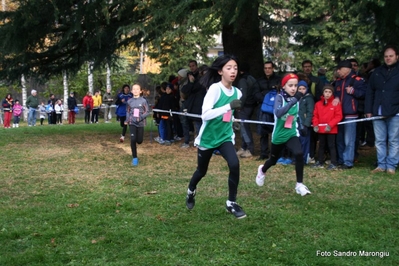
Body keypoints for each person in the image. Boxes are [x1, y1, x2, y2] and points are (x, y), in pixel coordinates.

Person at [185, 54, 246, 219]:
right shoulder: (214, 89)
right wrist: (228, 106)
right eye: (228, 68)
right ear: (220, 71)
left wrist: (233, 121)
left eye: (235, 68)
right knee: (202, 171)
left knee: (234, 164)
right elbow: (205, 115)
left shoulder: (237, 92)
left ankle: (231, 203)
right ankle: (191, 190)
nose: (233, 71)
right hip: (208, 138)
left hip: (225, 137)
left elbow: (228, 114)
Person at [255, 73, 312, 197]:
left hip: (291, 133)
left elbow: (296, 115)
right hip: (279, 135)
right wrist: (292, 101)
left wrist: (302, 126)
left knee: (299, 154)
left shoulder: (297, 99)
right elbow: (278, 113)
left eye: (295, 86)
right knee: (273, 160)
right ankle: (262, 170)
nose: (293, 88)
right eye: (290, 85)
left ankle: (299, 184)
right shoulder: (279, 98)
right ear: (284, 86)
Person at [365, 45, 399, 174]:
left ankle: (391, 166)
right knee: (379, 140)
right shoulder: (377, 72)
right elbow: (370, 91)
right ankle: (381, 165)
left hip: (395, 112)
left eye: (391, 56)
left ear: (397, 57)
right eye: (386, 56)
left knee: (394, 140)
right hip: (377, 111)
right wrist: (368, 110)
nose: (388, 58)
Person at [333, 60, 367, 169]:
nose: (338, 71)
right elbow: (335, 93)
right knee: (340, 139)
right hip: (339, 115)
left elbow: (365, 93)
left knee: (349, 140)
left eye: (340, 69)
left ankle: (348, 162)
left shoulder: (357, 80)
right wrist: (336, 98)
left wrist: (353, 91)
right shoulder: (338, 81)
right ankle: (341, 160)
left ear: (347, 69)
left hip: (351, 114)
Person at [253, 61, 282, 160]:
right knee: (263, 132)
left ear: (273, 68)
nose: (267, 70)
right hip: (262, 108)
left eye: (269, 68)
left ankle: (275, 153)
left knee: (276, 131)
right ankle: (264, 153)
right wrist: (265, 100)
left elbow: (280, 92)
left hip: (275, 108)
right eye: (265, 68)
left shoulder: (278, 80)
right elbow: (255, 93)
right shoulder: (259, 81)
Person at [312, 84, 342, 170]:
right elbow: (315, 115)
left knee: (331, 146)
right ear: (323, 93)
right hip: (321, 129)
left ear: (332, 93)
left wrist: (330, 125)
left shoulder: (335, 104)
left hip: (331, 129)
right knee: (321, 145)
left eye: (329, 92)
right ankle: (320, 162)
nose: (327, 94)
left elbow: (338, 116)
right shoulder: (318, 104)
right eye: (326, 92)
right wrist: (315, 125)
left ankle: (333, 163)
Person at [125, 84, 150, 166]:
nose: (135, 91)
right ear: (131, 91)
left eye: (137, 89)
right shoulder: (129, 101)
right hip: (132, 122)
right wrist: (127, 120)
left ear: (140, 91)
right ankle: (134, 158)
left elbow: (147, 112)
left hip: (141, 123)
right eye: (134, 89)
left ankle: (137, 140)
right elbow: (128, 112)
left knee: (139, 141)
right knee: (133, 139)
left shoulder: (143, 101)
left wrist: (141, 117)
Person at [236, 62, 257, 158]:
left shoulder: (243, 80)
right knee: (244, 126)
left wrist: (239, 106)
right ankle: (243, 147)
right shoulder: (252, 78)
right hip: (252, 105)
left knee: (244, 127)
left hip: (245, 106)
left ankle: (249, 149)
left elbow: (243, 95)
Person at [297, 80, 314, 164]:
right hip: (296, 123)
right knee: (297, 142)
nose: (301, 90)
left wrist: (306, 124)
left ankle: (304, 158)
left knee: (305, 142)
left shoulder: (309, 99)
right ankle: (297, 158)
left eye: (303, 88)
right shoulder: (296, 98)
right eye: (299, 88)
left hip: (304, 124)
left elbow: (310, 112)